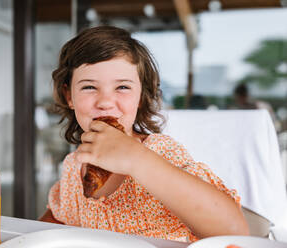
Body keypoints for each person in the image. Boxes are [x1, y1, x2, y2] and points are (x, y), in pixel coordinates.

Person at [40, 26, 249, 242]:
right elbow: (59, 218)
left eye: (122, 87)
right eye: (89, 87)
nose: (105, 102)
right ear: (69, 96)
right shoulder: (74, 166)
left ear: (140, 97)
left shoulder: (161, 152)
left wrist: (136, 159)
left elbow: (234, 232)